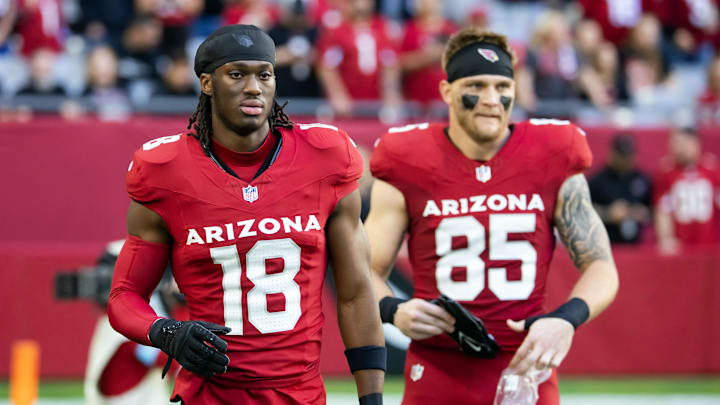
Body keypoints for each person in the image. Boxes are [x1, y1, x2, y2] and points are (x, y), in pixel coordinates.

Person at [108, 24, 385, 405]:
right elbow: (124, 296)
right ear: (207, 83)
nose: (254, 87)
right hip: (209, 395)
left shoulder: (325, 158)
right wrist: (166, 332)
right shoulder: (164, 170)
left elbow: (355, 293)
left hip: (300, 396)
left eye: (264, 74)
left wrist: (372, 399)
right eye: (237, 74)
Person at [364, 27, 619, 405]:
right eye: (477, 85)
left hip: (526, 369)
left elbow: (601, 265)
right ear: (447, 92)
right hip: (438, 369)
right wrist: (392, 309)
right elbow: (365, 269)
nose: (492, 99)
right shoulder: (407, 158)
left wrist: (566, 317)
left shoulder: (553, 152)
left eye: (502, 87)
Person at [654, 127, 720, 254]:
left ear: (695, 143)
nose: (678, 149)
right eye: (675, 144)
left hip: (710, 244)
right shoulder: (667, 172)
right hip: (681, 246)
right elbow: (663, 209)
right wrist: (666, 238)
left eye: (682, 143)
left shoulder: (712, 169)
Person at [589, 134, 653, 244]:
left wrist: (638, 213)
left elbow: (654, 210)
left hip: (637, 245)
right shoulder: (597, 181)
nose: (625, 160)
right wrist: (608, 213)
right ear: (612, 154)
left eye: (628, 155)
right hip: (606, 242)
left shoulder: (643, 180)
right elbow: (584, 210)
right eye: (621, 155)